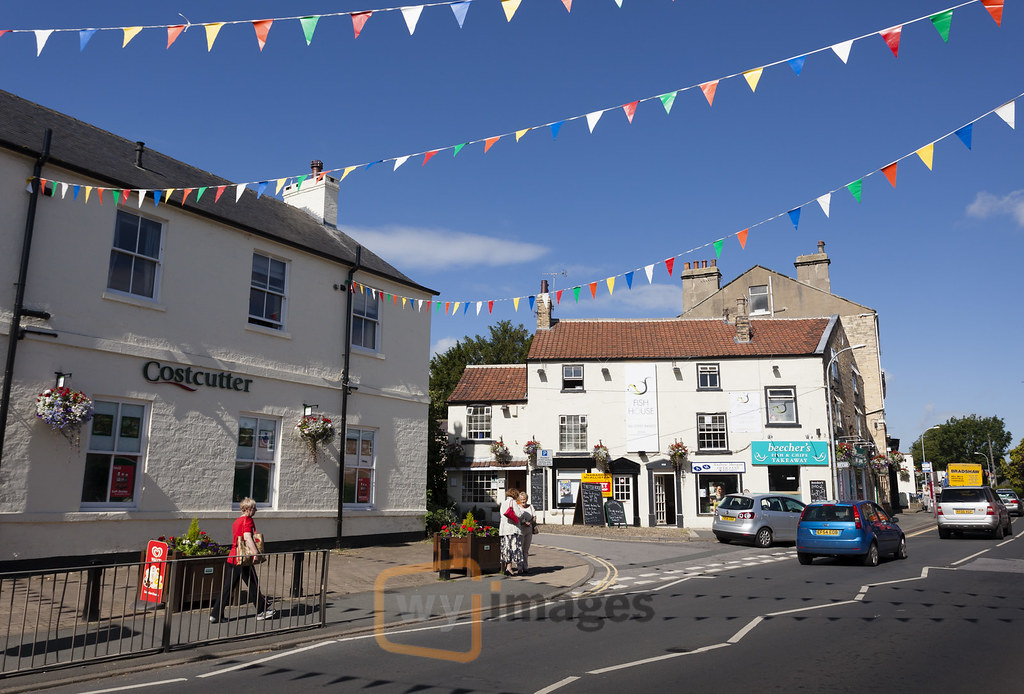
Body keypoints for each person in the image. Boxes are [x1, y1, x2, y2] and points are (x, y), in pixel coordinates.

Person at [210, 497, 274, 623]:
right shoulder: (247, 520)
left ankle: (215, 614)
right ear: (248, 509)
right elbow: (247, 537)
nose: (256, 510)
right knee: (253, 583)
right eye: (254, 508)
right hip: (243, 558)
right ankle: (261, 611)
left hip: (233, 557)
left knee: (228, 587)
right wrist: (256, 553)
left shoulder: (237, 521)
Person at [499, 487, 524, 576]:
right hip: (512, 529)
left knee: (506, 548)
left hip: (504, 530)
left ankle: (508, 567)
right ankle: (512, 568)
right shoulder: (513, 502)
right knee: (514, 548)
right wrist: (522, 513)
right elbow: (519, 514)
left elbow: (502, 515)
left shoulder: (503, 503)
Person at [518, 491, 535, 575]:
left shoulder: (530, 507)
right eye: (521, 499)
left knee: (526, 549)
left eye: (524, 499)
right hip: (520, 530)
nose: (523, 501)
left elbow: (534, 517)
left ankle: (525, 567)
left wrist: (530, 522)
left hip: (529, 529)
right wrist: (522, 523)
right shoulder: (517, 507)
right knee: (520, 548)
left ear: (527, 499)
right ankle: (519, 567)